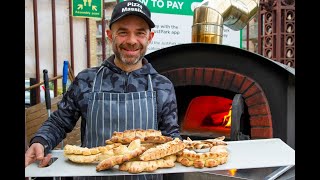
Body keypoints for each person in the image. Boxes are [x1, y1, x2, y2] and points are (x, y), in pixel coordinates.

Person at [25, 0, 181, 179]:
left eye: (140, 33)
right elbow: (59, 122)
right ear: (109, 35)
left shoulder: (162, 86)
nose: (131, 41)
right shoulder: (87, 80)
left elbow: (171, 138)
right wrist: (41, 141)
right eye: (123, 32)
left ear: (150, 37)